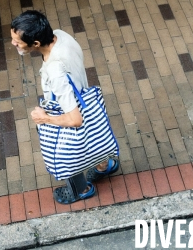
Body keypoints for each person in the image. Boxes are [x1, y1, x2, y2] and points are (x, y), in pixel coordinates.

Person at [11, 10, 119, 204]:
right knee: (94, 134)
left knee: (67, 150)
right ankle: (104, 165)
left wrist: (45, 118)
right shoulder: (61, 35)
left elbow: (75, 120)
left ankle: (82, 190)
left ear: (35, 44)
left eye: (17, 42)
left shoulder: (55, 72)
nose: (14, 44)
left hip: (69, 108)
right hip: (85, 97)